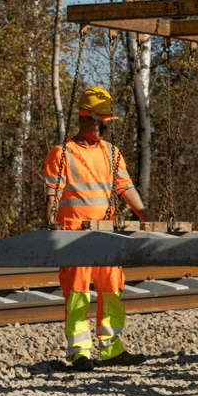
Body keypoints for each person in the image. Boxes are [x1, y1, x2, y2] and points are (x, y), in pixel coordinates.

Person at [44, 86, 150, 371]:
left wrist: (145, 215)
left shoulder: (111, 152)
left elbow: (125, 187)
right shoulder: (63, 153)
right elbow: (52, 194)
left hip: (106, 234)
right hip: (74, 236)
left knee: (111, 290)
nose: (104, 127)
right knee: (78, 294)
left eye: (107, 122)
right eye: (100, 121)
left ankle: (111, 349)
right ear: (84, 118)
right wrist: (50, 225)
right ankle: (79, 351)